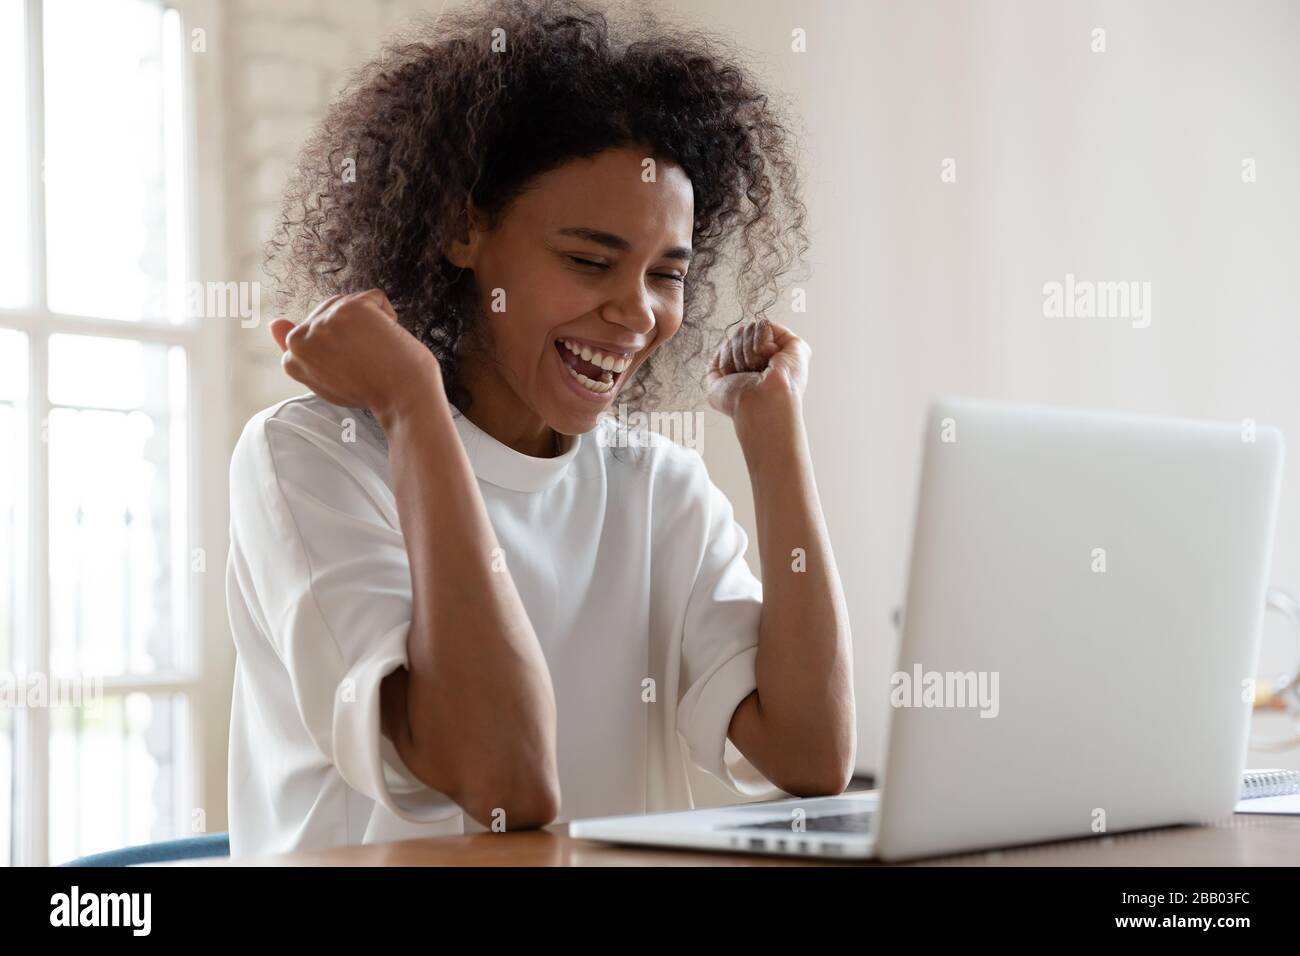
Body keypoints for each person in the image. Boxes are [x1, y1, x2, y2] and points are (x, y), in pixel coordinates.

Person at [225, 0, 854, 856]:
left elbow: (810, 758)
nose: (637, 312)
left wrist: (774, 440)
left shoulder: (656, 487)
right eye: (590, 261)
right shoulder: (310, 459)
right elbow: (507, 785)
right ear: (461, 230)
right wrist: (411, 401)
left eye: (665, 274)